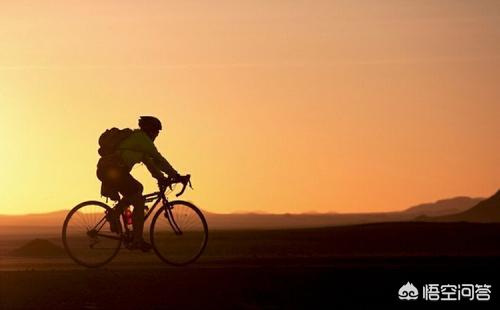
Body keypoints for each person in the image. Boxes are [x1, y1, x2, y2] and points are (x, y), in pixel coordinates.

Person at [96, 116, 179, 251]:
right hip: (113, 171)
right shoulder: (142, 139)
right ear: (150, 130)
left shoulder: (138, 144)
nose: (157, 135)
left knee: (137, 189)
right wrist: (175, 175)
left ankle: (115, 214)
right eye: (156, 132)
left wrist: (161, 178)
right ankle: (137, 240)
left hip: (113, 171)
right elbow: (158, 158)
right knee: (139, 201)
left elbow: (152, 165)